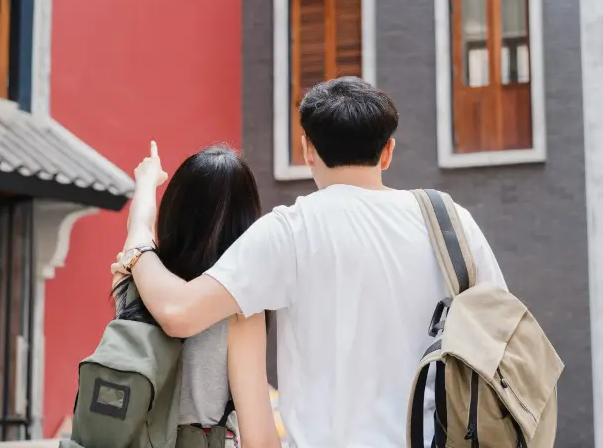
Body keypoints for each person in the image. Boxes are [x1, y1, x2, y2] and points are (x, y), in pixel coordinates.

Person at [116, 77, 507, 448]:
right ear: (387, 152)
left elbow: (177, 311)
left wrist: (138, 241)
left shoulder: (289, 232)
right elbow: (502, 341)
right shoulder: (451, 223)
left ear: (307, 150)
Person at [112, 145, 282, 448]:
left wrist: (148, 182)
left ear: (175, 211)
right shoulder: (239, 310)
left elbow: (138, 229)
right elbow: (260, 438)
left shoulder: (131, 278)